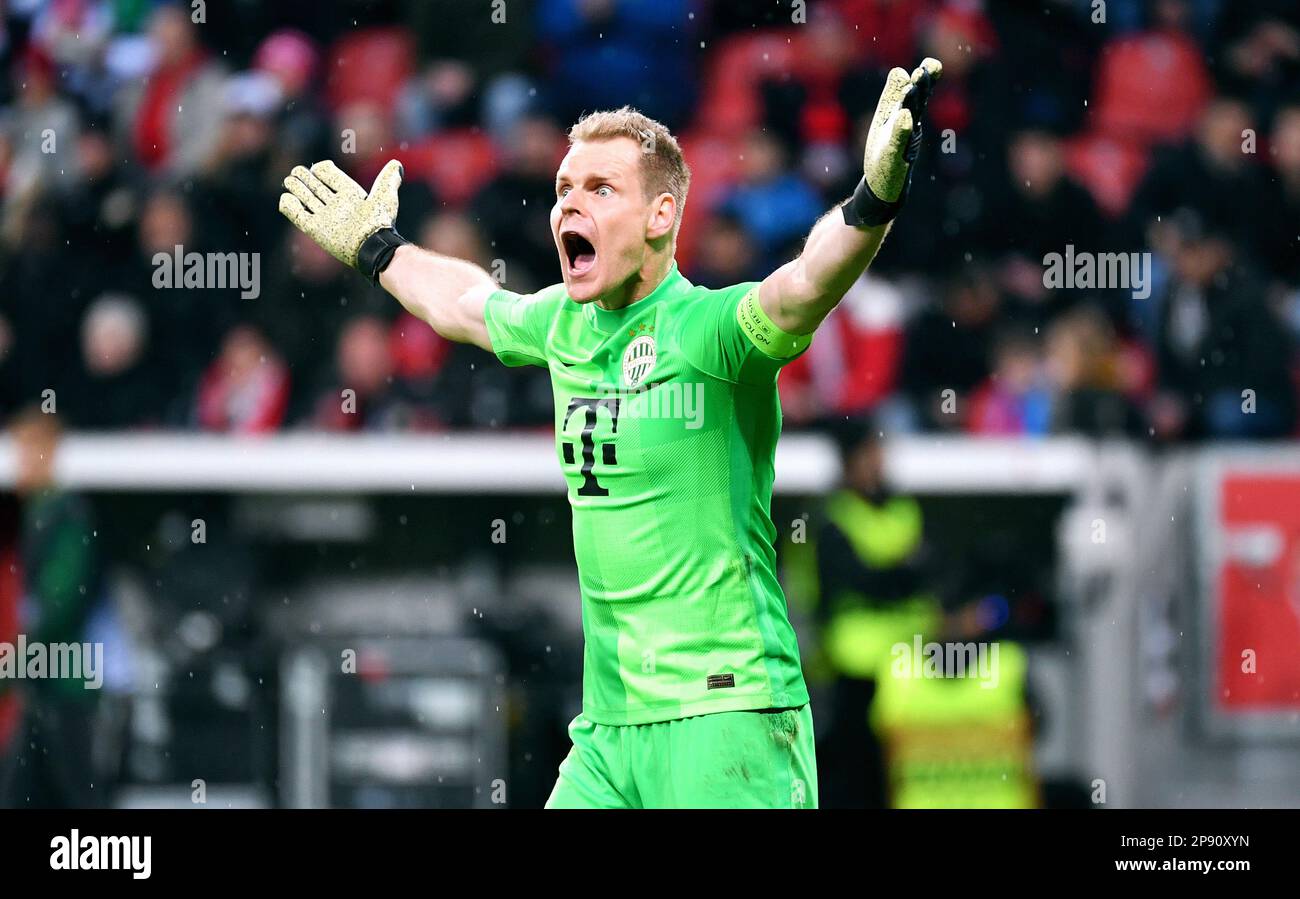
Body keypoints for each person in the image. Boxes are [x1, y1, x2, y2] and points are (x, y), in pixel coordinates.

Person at [278, 58, 944, 808]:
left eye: (600, 189)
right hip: (608, 732)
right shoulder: (562, 322)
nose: (570, 206)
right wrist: (381, 250)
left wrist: (873, 196)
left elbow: (802, 288)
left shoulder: (710, 330)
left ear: (661, 217)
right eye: (564, 189)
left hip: (726, 717)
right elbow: (466, 303)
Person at [0, 409, 103, 808]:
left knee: (70, 788)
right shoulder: (39, 514)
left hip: (63, 676)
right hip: (44, 676)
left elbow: (55, 604)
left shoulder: (64, 516)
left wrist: (14, 664)